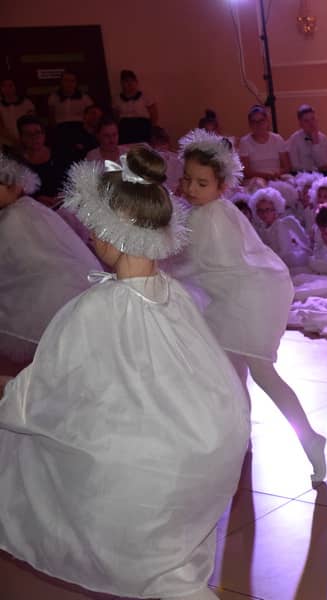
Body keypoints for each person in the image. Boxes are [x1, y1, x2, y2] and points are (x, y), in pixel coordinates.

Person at [0, 146, 250, 600]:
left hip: (146, 462)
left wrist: (9, 395)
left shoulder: (98, 305)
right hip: (203, 442)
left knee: (151, 564)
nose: (91, 240)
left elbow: (43, 390)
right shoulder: (173, 292)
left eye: (95, 230)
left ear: (113, 235)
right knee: (173, 570)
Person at [168, 129, 326, 482]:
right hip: (233, 300)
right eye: (188, 180)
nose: (191, 188)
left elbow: (198, 265)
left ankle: (310, 438)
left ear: (222, 186)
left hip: (245, 303)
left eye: (202, 183)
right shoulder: (213, 210)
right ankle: (243, 438)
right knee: (234, 372)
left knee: (261, 373)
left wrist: (159, 270)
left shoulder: (211, 216)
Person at [0, 155, 100, 364]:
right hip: (71, 279)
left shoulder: (14, 216)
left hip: (50, 289)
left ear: (15, 186)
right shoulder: (31, 207)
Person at [15, 115, 67, 207]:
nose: (34, 137)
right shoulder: (17, 162)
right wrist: (36, 199)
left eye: (37, 132)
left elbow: (70, 180)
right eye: (28, 134)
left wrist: (63, 196)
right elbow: (16, 193)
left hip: (63, 204)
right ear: (21, 137)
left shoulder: (59, 154)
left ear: (44, 134)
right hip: (33, 208)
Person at [238, 105, 290, 181]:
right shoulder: (245, 142)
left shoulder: (278, 139)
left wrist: (278, 173)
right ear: (250, 124)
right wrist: (266, 175)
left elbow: (287, 167)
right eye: (254, 122)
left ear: (267, 122)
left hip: (277, 176)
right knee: (259, 184)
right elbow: (246, 172)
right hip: (256, 179)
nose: (258, 124)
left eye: (261, 120)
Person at [112, 69, 158, 144]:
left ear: (136, 82)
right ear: (122, 83)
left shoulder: (145, 96)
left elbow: (154, 114)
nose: (130, 84)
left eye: (132, 81)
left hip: (143, 127)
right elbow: (115, 117)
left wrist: (152, 128)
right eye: (126, 81)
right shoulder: (117, 99)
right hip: (125, 129)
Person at [286, 104, 327, 173]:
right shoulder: (294, 139)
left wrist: (316, 144)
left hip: (321, 175)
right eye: (306, 121)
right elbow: (295, 167)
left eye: (313, 119)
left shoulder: (323, 138)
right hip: (302, 176)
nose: (311, 124)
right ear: (300, 124)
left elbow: (324, 164)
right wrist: (315, 169)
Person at [0, 78, 36, 147]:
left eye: (10, 85)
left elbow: (32, 122)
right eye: (3, 86)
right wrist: (13, 140)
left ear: (15, 87)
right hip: (6, 142)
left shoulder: (26, 103)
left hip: (25, 140)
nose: (7, 88)